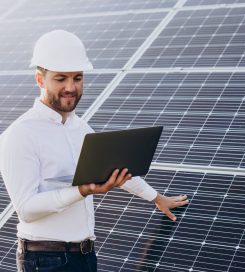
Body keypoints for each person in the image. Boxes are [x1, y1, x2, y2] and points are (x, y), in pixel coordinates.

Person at [0, 30, 188, 272]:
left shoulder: (80, 128)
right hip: (45, 260)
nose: (71, 87)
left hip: (84, 256)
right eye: (60, 79)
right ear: (40, 79)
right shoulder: (20, 134)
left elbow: (116, 170)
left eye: (77, 78)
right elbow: (26, 210)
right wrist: (82, 190)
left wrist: (156, 197)